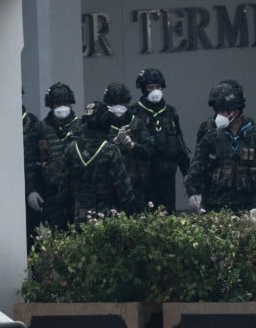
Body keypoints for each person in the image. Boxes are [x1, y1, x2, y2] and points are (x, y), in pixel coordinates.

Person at [185, 83, 256, 213]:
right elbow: (196, 168)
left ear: (236, 112)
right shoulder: (211, 137)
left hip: (251, 205)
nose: (219, 116)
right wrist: (193, 192)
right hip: (216, 204)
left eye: (222, 111)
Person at [58, 100, 136, 222]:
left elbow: (63, 191)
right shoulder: (110, 151)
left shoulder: (71, 149)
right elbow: (124, 191)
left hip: (77, 217)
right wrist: (129, 216)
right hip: (106, 219)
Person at [132, 68, 190, 213]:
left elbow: (179, 142)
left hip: (167, 176)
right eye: (151, 87)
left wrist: (186, 172)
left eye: (158, 87)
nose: (155, 91)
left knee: (168, 217)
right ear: (143, 89)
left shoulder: (170, 112)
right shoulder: (134, 113)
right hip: (145, 176)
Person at [26, 82, 81, 229]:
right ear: (51, 106)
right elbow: (30, 161)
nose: (62, 107)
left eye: (65, 103)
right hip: (51, 194)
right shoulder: (40, 129)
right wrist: (31, 190)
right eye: (57, 104)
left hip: (77, 193)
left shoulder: (81, 127)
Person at [103, 81, 153, 211]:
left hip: (136, 185)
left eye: (122, 103)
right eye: (114, 104)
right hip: (110, 187)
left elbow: (149, 150)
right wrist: (114, 142)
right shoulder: (102, 125)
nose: (118, 107)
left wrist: (132, 145)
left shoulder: (137, 123)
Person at [196, 78, 246, 149]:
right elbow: (199, 156)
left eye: (223, 111)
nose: (219, 115)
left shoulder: (251, 130)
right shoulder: (208, 128)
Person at [22, 100, 42, 248]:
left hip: (32, 189)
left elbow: (34, 162)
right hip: (6, 190)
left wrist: (32, 190)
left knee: (32, 237)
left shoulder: (34, 123)